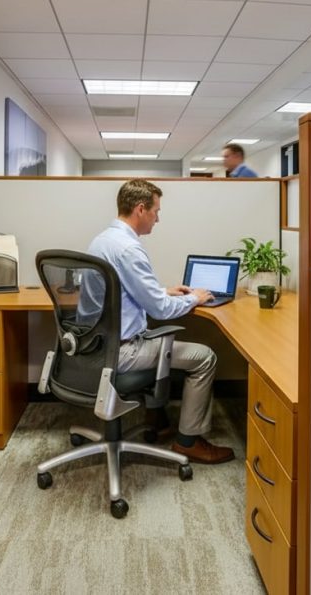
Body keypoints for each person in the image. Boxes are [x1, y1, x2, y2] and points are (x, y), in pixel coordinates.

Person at [87, 179, 234, 464]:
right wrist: (195, 298)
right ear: (141, 209)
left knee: (156, 335)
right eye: (156, 211)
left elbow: (124, 290)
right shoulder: (129, 249)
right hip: (122, 352)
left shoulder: (104, 240)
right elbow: (161, 310)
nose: (158, 219)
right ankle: (188, 442)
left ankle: (157, 419)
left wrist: (162, 290)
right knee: (204, 357)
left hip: (97, 345)